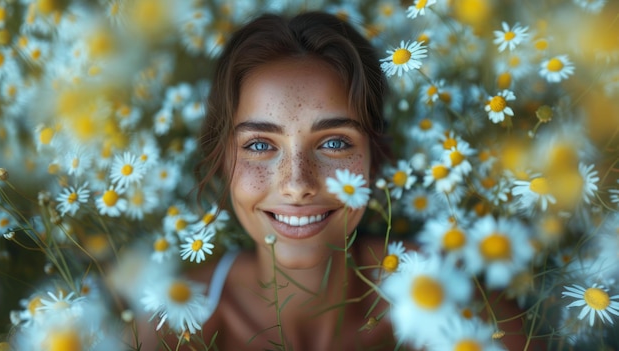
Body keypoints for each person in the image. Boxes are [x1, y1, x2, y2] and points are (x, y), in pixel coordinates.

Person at [138, 11, 532, 351]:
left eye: (334, 142)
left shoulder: (449, 297)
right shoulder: (171, 322)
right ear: (221, 160)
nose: (297, 184)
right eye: (259, 145)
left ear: (376, 158)